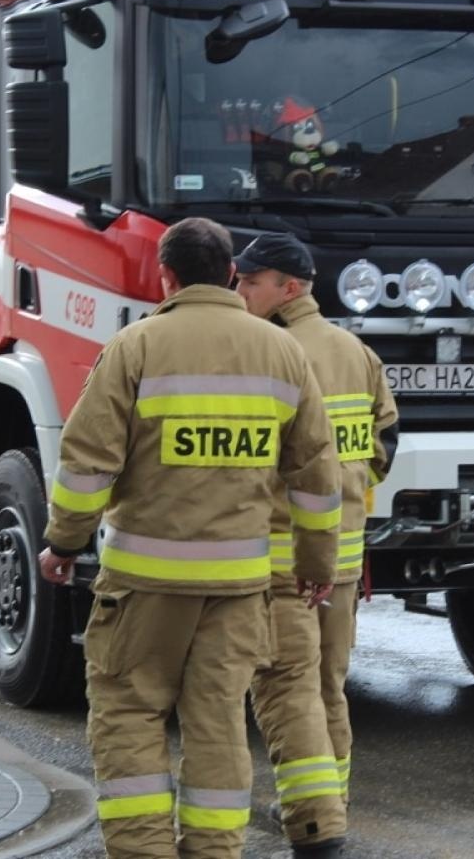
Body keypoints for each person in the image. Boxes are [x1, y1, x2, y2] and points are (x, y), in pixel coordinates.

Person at [39, 217, 343, 859]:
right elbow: (317, 475)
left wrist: (64, 543)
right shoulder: (281, 351)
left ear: (166, 276)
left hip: (144, 586)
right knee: (218, 719)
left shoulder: (136, 347)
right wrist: (317, 564)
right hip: (239, 588)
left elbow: (88, 462)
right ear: (230, 273)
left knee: (129, 712)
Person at [235, 233, 398, 823]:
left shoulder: (267, 350)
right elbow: (385, 444)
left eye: (252, 281)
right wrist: (349, 495)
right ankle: (336, 801)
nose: (240, 290)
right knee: (329, 686)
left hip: (281, 561)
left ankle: (311, 811)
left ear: (289, 288)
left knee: (287, 689)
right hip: (344, 558)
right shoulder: (356, 351)